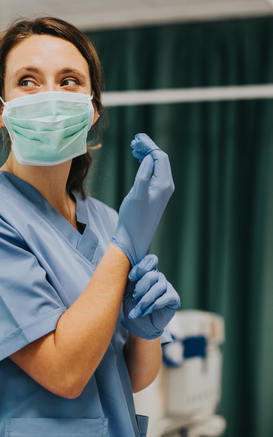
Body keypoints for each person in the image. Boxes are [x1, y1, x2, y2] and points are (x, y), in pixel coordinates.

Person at [0, 16, 180, 437]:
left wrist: (147, 331)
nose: (49, 96)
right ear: (2, 110)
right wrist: (125, 245)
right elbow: (66, 373)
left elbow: (129, 378)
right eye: (27, 80)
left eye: (68, 81)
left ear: (92, 108)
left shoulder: (104, 220)